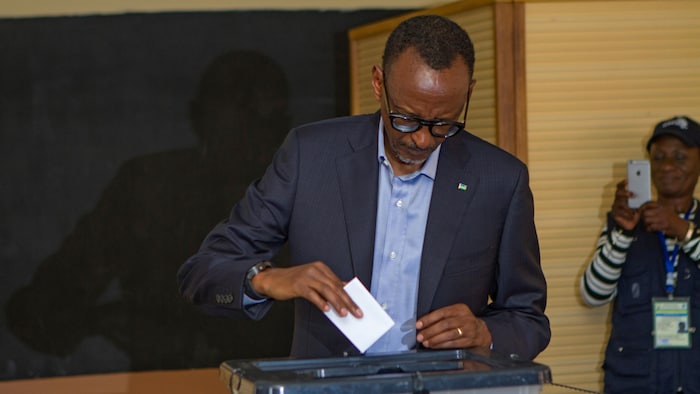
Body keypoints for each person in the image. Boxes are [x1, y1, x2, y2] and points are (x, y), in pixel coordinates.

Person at [178, 15, 550, 361]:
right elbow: (203, 271)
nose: (421, 140)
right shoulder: (311, 157)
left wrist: (484, 332)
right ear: (378, 83)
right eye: (405, 119)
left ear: (468, 94)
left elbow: (528, 319)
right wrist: (269, 278)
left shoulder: (500, 180)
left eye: (444, 124)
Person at [581, 115, 700, 393]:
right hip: (635, 383)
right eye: (658, 158)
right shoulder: (626, 220)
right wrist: (622, 233)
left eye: (680, 157)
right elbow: (593, 294)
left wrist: (683, 231)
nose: (668, 166)